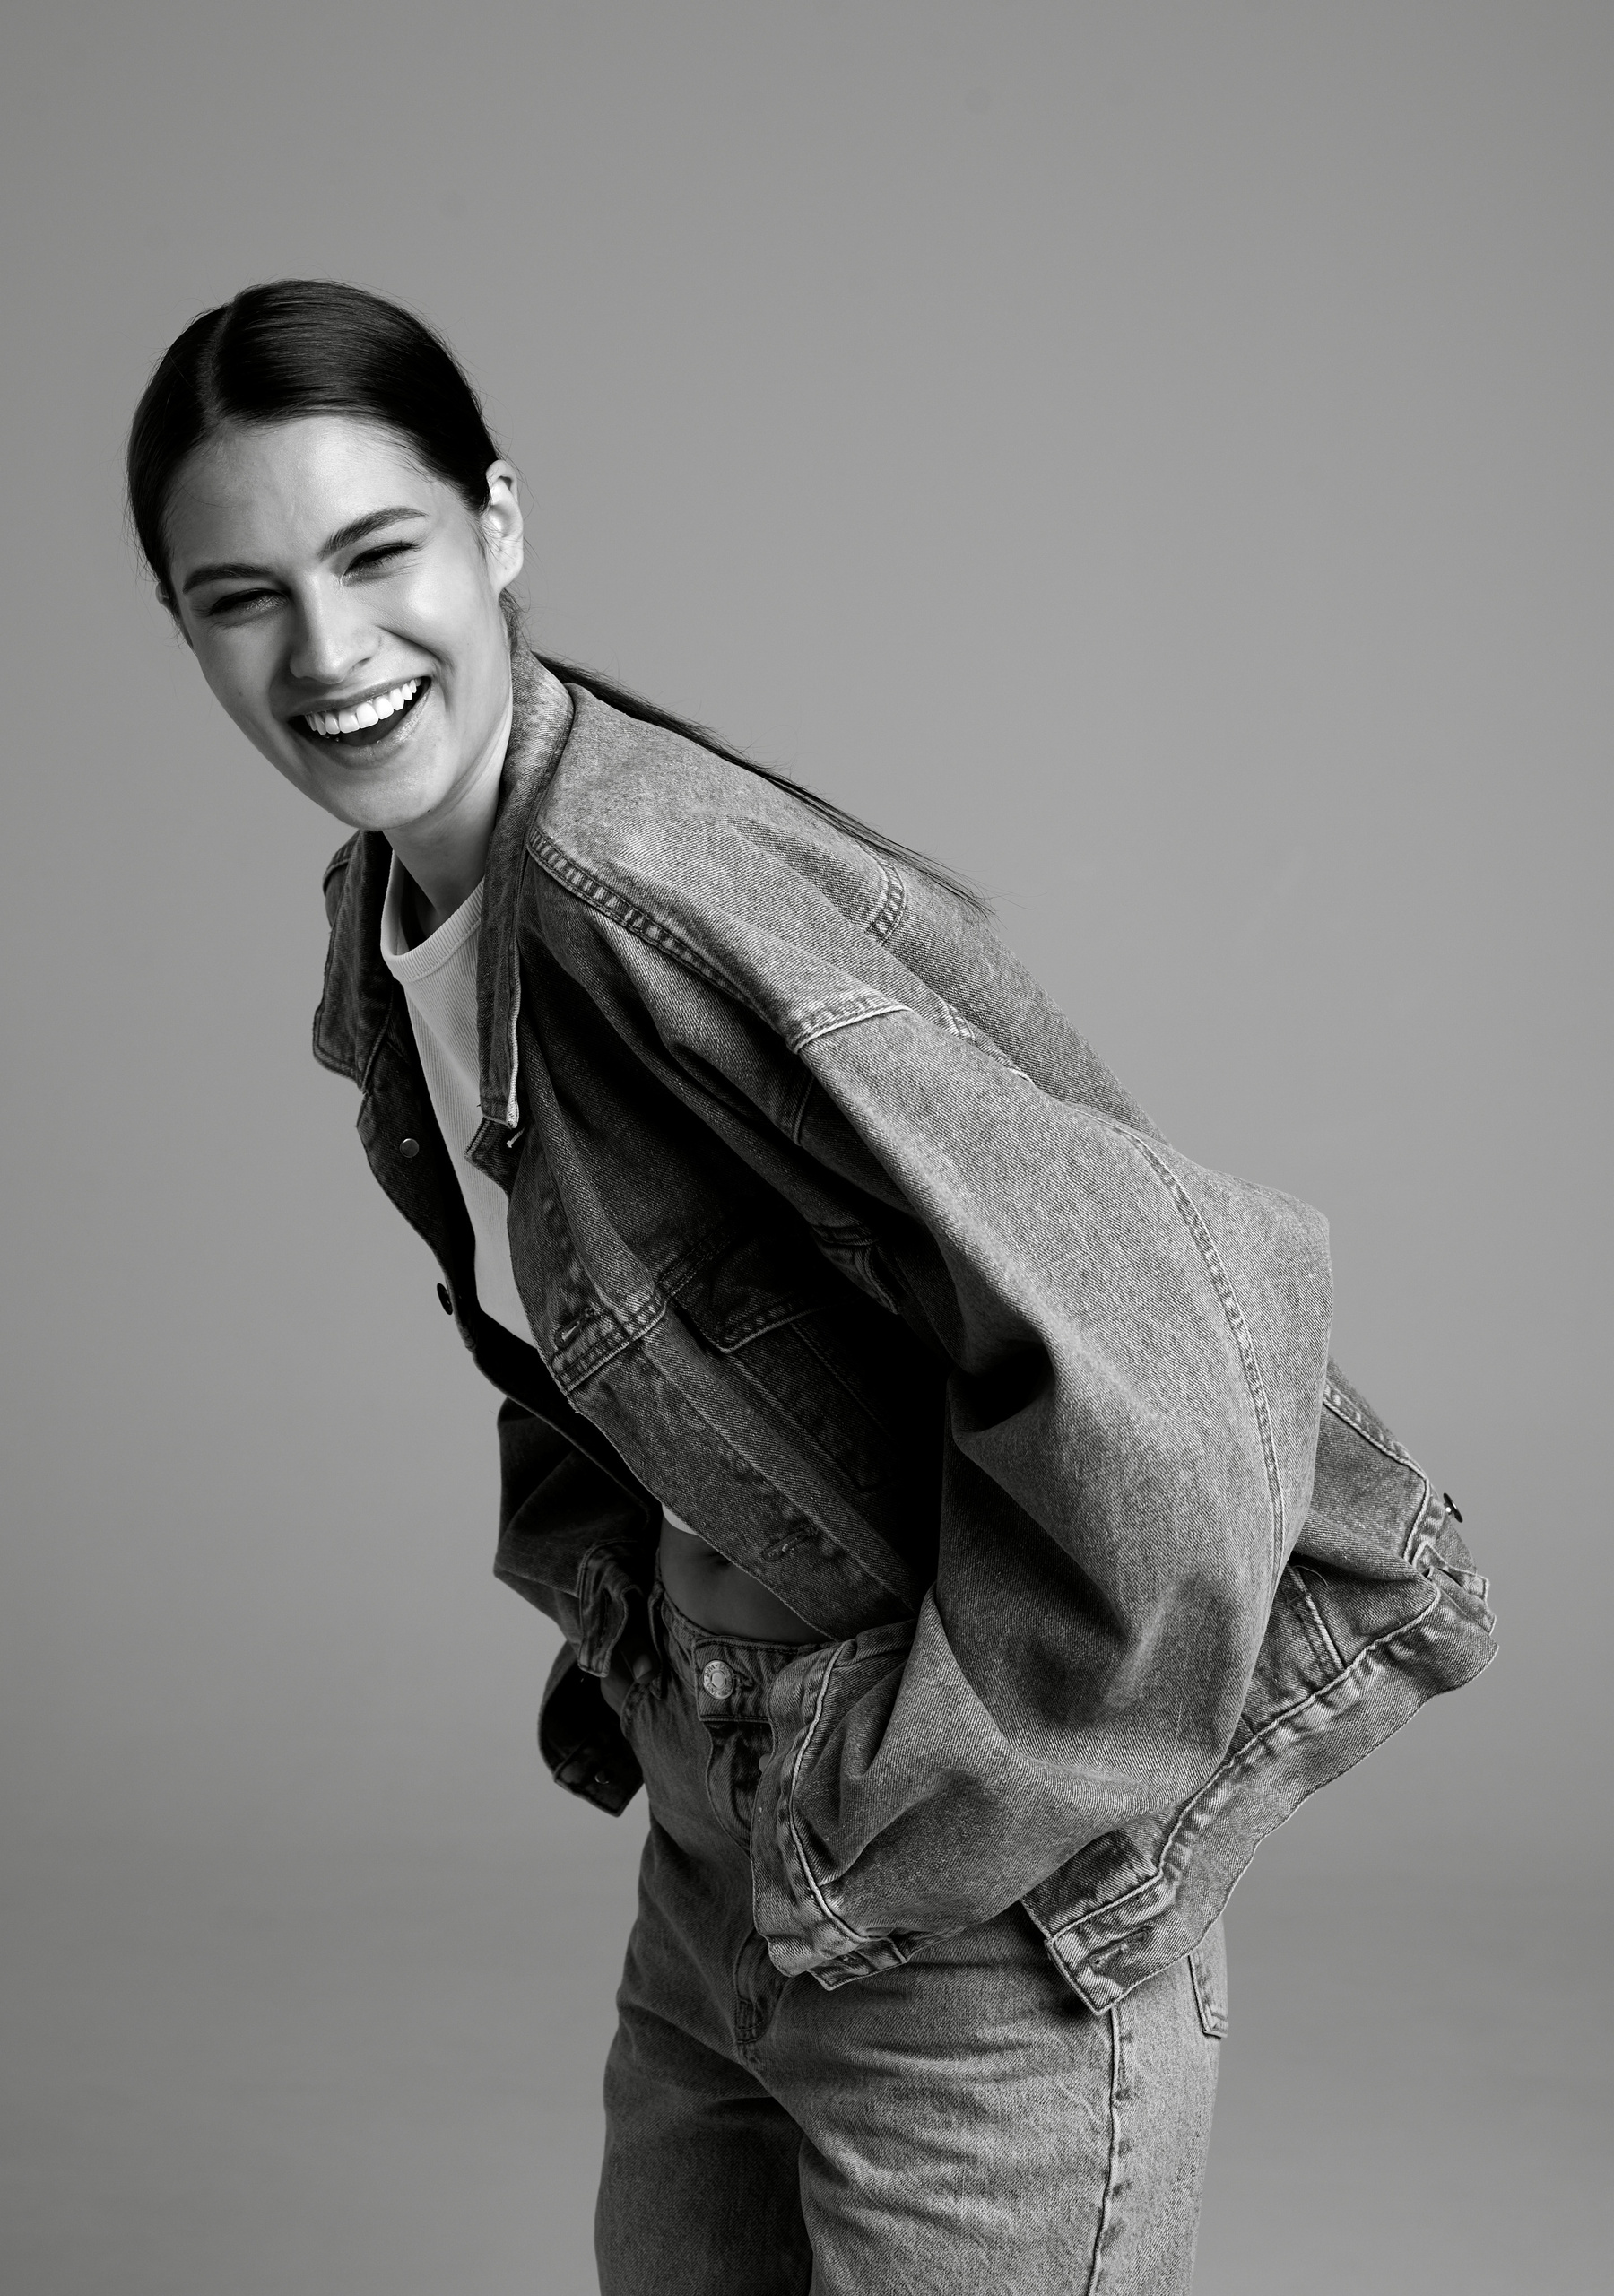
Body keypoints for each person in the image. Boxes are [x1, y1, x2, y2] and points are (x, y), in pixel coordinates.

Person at [126, 279, 1496, 2294]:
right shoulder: (402, 908)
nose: (326, 651)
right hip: (723, 1838)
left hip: (939, 1894)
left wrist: (934, 1804)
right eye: (241, 597)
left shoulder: (639, 900)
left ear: (496, 523)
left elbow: (1186, 1342)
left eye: (376, 553)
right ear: (183, 627)